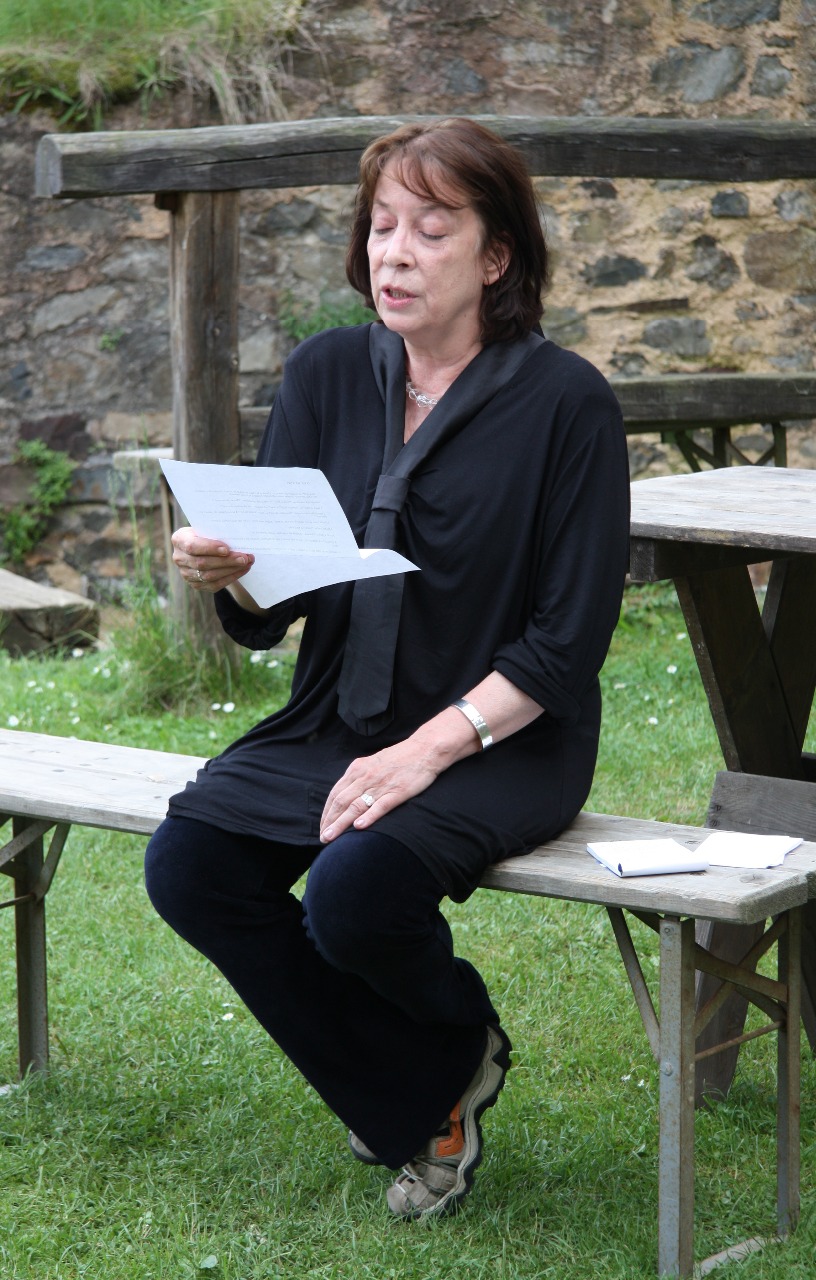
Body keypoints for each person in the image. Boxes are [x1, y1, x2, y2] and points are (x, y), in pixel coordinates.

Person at [144, 117, 630, 1220]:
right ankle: (439, 1071)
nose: (394, 254)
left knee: (356, 892)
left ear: (495, 256)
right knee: (191, 865)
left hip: (503, 735)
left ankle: (428, 1072)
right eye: (381, 226)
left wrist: (426, 751)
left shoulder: (569, 404)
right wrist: (232, 575)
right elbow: (273, 613)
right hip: (338, 716)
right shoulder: (325, 372)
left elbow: (565, 643)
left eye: (430, 230)